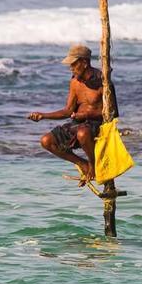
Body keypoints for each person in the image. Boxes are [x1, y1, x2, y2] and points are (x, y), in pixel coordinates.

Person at [28, 43, 106, 184]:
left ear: (84, 63)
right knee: (46, 141)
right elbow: (68, 111)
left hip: (97, 125)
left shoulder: (103, 82)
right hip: (78, 124)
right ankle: (83, 164)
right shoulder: (74, 82)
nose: (71, 68)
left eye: (73, 64)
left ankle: (94, 165)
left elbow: (111, 113)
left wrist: (86, 115)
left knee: (82, 133)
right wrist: (43, 116)